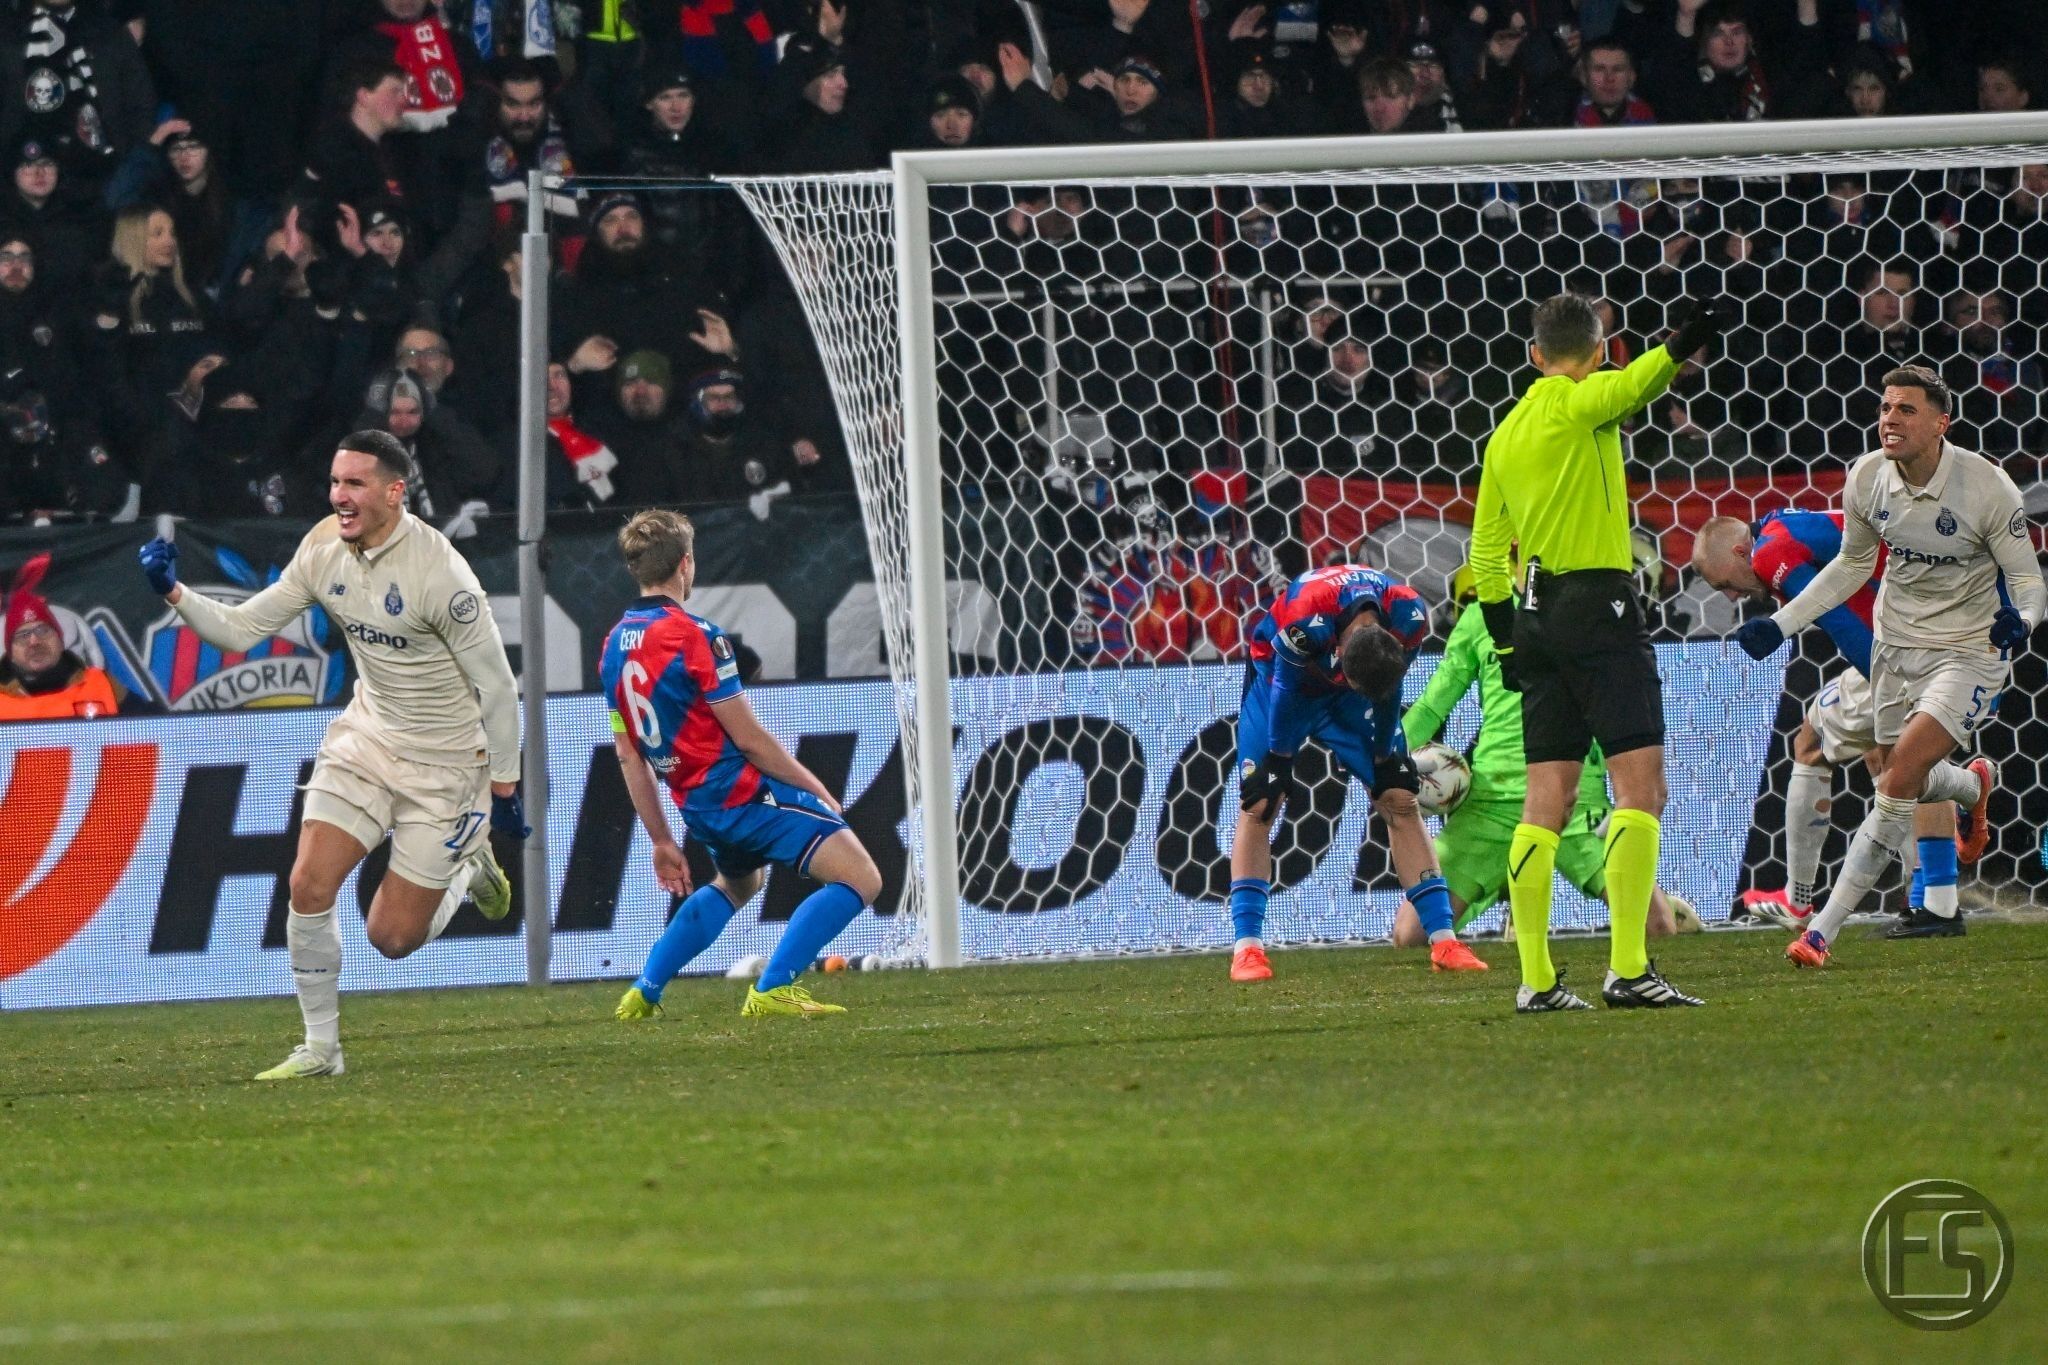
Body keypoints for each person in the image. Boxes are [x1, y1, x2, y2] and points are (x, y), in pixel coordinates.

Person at [135, 429, 528, 1079]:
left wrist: (505, 789)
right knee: (308, 883)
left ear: (395, 492)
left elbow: (499, 688)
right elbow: (242, 628)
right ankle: (322, 1049)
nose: (339, 496)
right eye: (335, 481)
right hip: (367, 739)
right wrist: (174, 592)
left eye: (355, 484)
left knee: (391, 939)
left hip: (449, 764)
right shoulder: (323, 547)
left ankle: (468, 866)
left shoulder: (442, 574)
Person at [1735, 366, 2044, 964]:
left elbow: (2028, 579)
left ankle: (1819, 932)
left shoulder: (1988, 488)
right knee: (1900, 772)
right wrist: (1780, 624)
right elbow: (1851, 566)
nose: (1889, 419)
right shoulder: (1868, 476)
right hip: (1896, 645)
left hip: (1969, 650)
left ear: (1940, 422)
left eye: (1906, 409)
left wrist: (2023, 620)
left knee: (1898, 775)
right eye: (1884, 408)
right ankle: (1971, 785)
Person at [1470, 290, 1726, 1012]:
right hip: (1599, 607)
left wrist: (1506, 640)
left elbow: (1486, 552)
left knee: (1545, 800)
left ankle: (1536, 980)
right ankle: (1628, 969)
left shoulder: (1506, 433)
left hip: (1533, 613)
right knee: (1640, 791)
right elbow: (1631, 387)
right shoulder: (1579, 403)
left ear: (1534, 354)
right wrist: (1681, 345)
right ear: (1600, 352)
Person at [606, 508, 882, 1020]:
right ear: (685, 564)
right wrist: (814, 787)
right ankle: (773, 987)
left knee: (739, 883)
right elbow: (751, 741)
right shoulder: (695, 635)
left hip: (699, 807)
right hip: (743, 794)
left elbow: (629, 755)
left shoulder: (614, 646)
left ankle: (644, 990)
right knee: (861, 878)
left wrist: (662, 840)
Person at [1693, 511, 1993, 931]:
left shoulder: (1769, 553)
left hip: (1908, 651)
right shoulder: (1781, 529)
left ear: (1741, 551)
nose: (1729, 597)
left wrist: (1892, 686)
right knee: (1892, 756)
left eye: (1723, 583)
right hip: (1933, 632)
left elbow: (1835, 616)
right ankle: (1932, 897)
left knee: (1818, 743)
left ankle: (1801, 901)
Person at [1390, 577, 1697, 949]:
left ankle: (1526, 895)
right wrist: (1385, 756)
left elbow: (1614, 702)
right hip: (1490, 804)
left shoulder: (1584, 608)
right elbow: (1434, 703)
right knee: (1410, 934)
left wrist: (1623, 782)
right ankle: (1510, 893)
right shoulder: (1480, 617)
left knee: (1657, 926)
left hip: (1574, 795)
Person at [1227, 562, 1486, 981]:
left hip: (1351, 701)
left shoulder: (1409, 616)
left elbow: (1388, 687)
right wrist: (1278, 758)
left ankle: (1444, 941)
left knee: (1398, 796)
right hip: (1279, 685)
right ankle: (1247, 950)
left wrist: (1385, 757)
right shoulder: (1305, 617)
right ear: (1340, 650)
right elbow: (1286, 688)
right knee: (1261, 801)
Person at [0, 560, 129, 720]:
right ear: (10, 653)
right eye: (23, 635)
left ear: (60, 641)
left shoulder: (104, 685)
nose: (34, 641)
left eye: (43, 631)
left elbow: (151, 728)